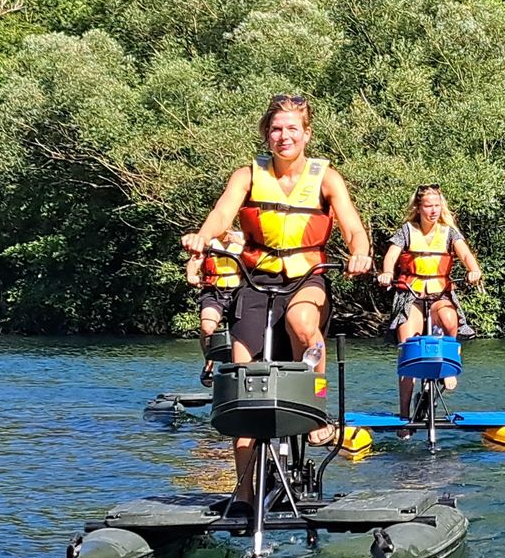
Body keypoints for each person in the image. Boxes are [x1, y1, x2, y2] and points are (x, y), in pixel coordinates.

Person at [181, 94, 373, 515]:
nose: (284, 136)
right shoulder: (247, 176)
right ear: (266, 135)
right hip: (255, 280)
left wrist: (360, 252)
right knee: (244, 384)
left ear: (307, 133)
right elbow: (221, 215)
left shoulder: (327, 179)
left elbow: (355, 230)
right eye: (276, 129)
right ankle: (245, 494)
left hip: (308, 279)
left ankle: (316, 410)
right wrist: (201, 237)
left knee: (304, 324)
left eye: (292, 129)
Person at [377, 184, 482, 436]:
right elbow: (391, 255)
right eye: (428, 206)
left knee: (449, 317)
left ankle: (448, 366)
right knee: (407, 345)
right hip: (411, 296)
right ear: (418, 208)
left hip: (439, 296)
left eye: (436, 206)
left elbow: (466, 255)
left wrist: (473, 269)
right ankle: (404, 413)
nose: (433, 211)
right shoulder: (406, 231)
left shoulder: (449, 233)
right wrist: (388, 272)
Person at [185, 229, 244, 388]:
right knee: (208, 327)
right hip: (213, 291)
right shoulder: (207, 241)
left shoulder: (243, 239)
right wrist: (191, 274)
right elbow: (194, 261)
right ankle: (209, 363)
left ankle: (241, 371)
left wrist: (240, 243)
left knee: (242, 332)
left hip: (239, 291)